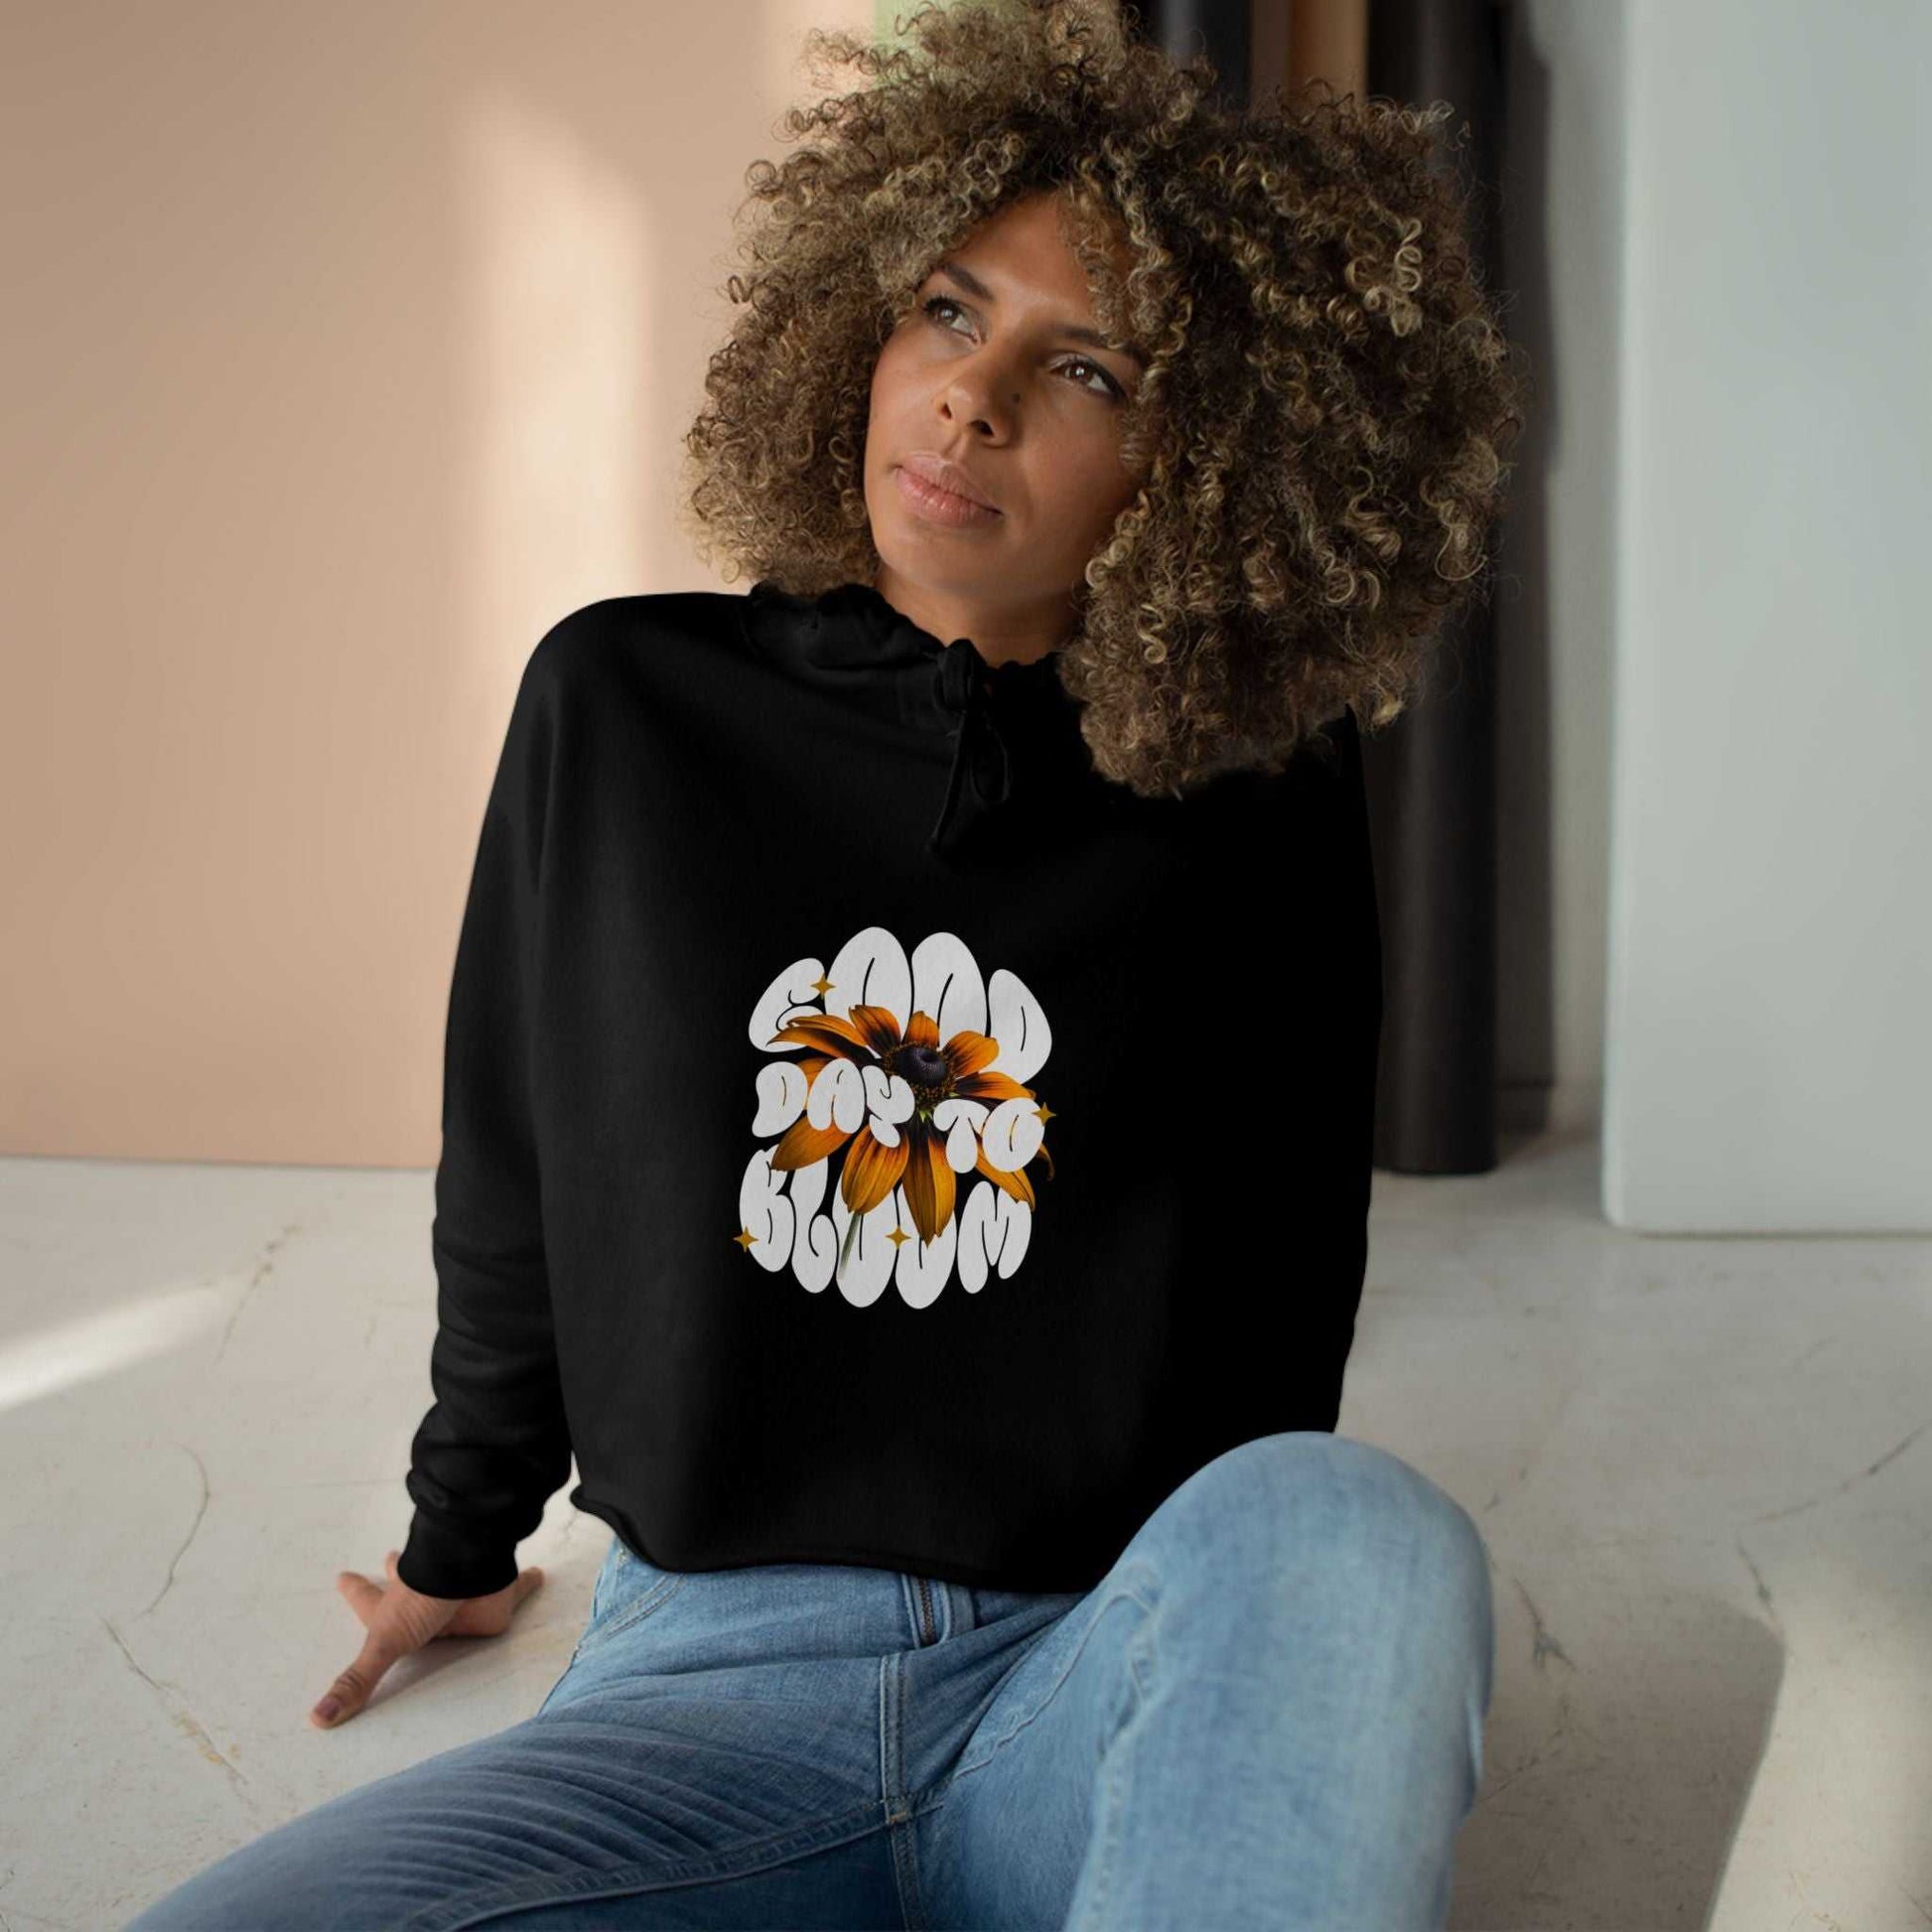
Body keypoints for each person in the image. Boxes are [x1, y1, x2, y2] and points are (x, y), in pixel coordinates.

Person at [125, 2, 1527, 1925]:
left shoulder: (1258, 792)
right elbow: (518, 1164)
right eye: (947, 313)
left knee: (1358, 1526)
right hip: (706, 1701)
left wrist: (1225, 1671)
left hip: (1090, 1673)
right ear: (857, 323)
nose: (971, 399)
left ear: (1205, 465)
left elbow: (1287, 1282)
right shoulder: (625, 706)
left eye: (1085, 367)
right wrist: (459, 1537)